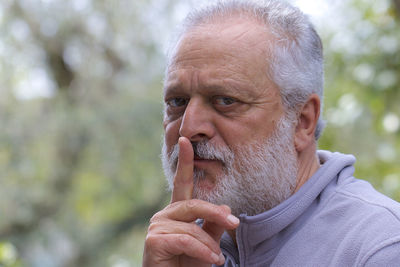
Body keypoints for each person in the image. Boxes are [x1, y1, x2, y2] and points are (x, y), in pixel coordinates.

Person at [143, 0, 400, 266]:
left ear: (302, 121)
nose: (188, 127)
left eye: (225, 101)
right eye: (177, 102)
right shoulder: (177, 247)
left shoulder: (380, 248)